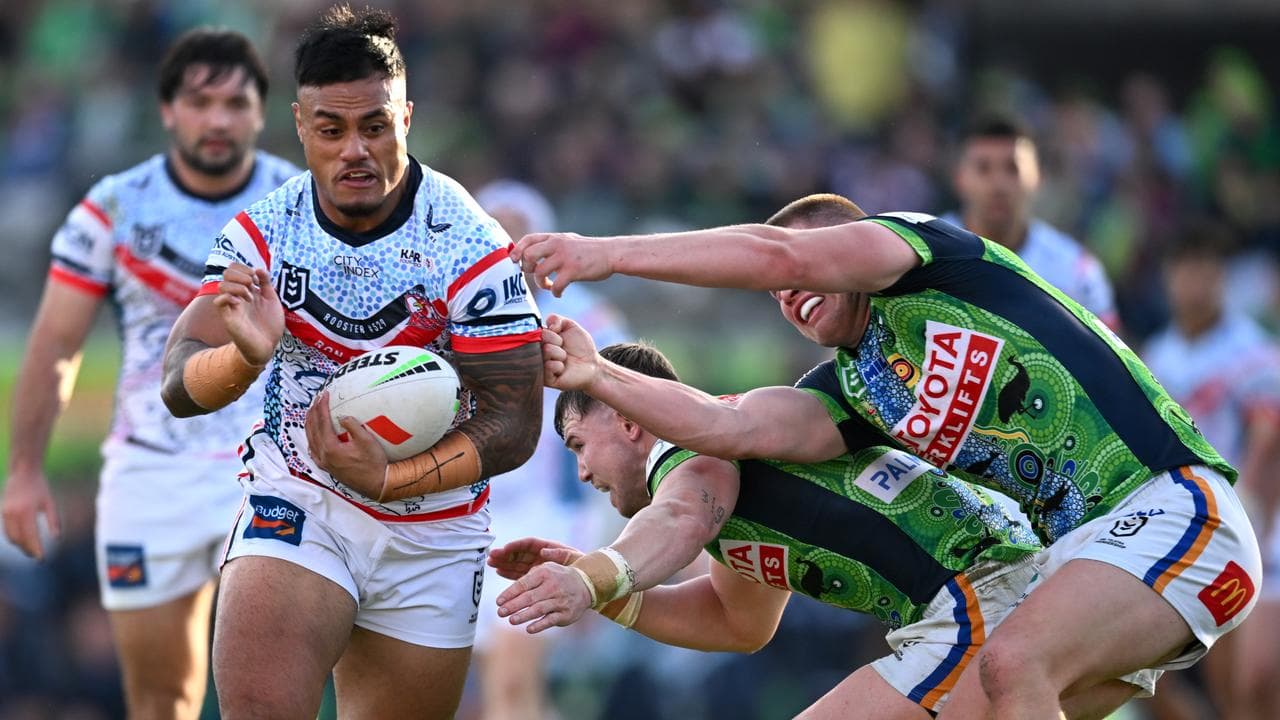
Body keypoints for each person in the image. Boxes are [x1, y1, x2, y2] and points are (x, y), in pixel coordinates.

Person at [510, 193, 1262, 718]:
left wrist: (603, 252)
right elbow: (725, 429)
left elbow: (775, 254)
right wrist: (597, 375)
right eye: (777, 295)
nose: (788, 291)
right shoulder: (853, 392)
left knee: (1013, 665)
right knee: (1003, 684)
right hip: (1068, 562)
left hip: (1168, 505)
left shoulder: (930, 255)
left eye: (805, 269)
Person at [159, 7, 543, 719]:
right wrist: (245, 358)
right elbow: (178, 383)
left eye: (375, 126)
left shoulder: (470, 245)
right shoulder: (262, 236)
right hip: (301, 499)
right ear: (301, 127)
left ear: (407, 119)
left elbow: (516, 421)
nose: (355, 151)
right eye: (331, 130)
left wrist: (392, 479)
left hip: (434, 530)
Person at [491, 338, 1152, 719]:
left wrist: (591, 578)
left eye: (579, 444)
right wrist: (604, 593)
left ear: (630, 422)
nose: (582, 471)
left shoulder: (688, 451)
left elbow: (681, 517)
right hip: (1020, 597)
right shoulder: (731, 465)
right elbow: (735, 622)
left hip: (986, 601)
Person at [1, 28, 297, 720]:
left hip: (272, 469)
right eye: (199, 102)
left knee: (276, 695)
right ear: (167, 110)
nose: (217, 120)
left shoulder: (299, 203)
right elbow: (56, 344)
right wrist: (24, 471)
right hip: (152, 471)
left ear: (261, 112)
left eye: (235, 103)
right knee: (161, 700)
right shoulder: (114, 207)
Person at [471, 179, 630, 720]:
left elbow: (628, 416)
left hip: (553, 515)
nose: (510, 250)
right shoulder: (455, 313)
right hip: (476, 514)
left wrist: (606, 530)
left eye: (521, 235)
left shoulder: (589, 323)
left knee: (513, 678)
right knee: (501, 686)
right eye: (496, 234)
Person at [1142, 219, 1280, 720]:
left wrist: (1255, 514)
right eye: (1184, 269)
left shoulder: (1254, 353)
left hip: (1247, 525)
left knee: (1253, 681)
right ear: (1168, 277)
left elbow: (1267, 438)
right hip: (1184, 527)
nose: (1194, 282)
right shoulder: (1155, 356)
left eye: (1205, 270)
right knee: (1165, 680)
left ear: (1221, 277)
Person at [945, 115, 1119, 329]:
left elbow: (1109, 347)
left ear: (1038, 177)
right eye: (983, 168)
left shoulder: (1076, 272)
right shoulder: (924, 252)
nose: (998, 184)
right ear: (959, 178)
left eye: (1013, 168)